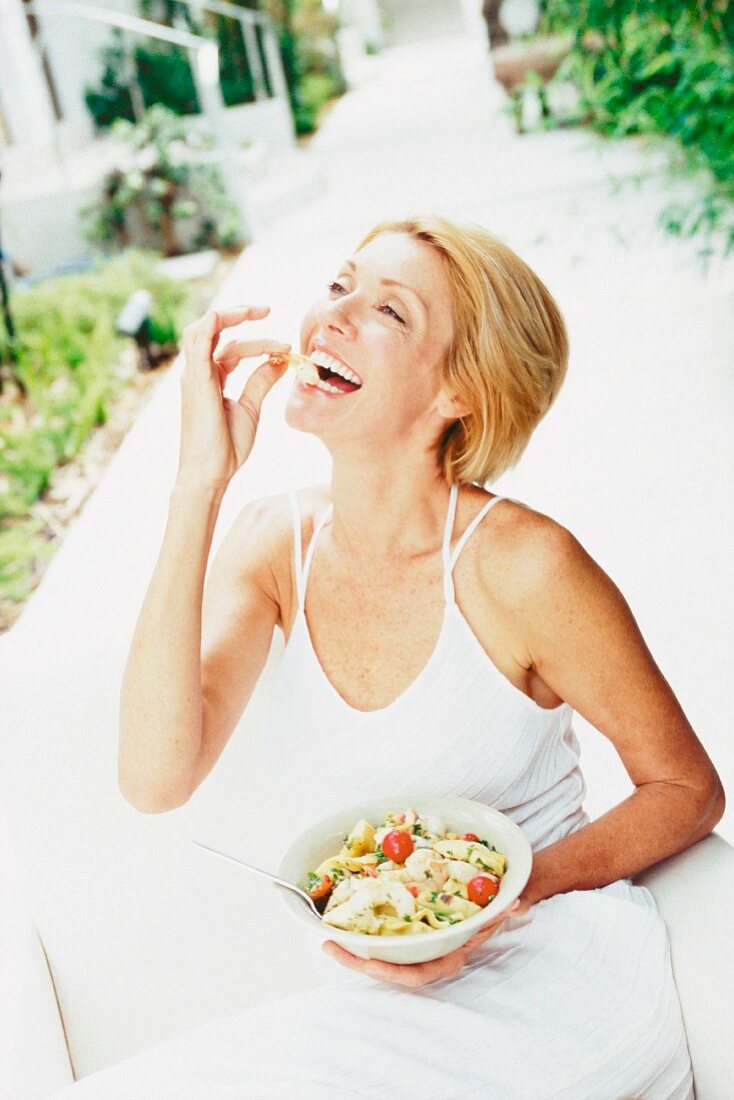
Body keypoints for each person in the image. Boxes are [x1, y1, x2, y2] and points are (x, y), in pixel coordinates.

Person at [57, 215, 724, 1098]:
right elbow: (153, 777)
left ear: (458, 392)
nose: (333, 316)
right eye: (339, 287)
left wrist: (497, 896)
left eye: (389, 311)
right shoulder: (272, 548)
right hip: (380, 1020)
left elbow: (686, 788)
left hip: (560, 986)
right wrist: (199, 483)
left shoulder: (522, 567)